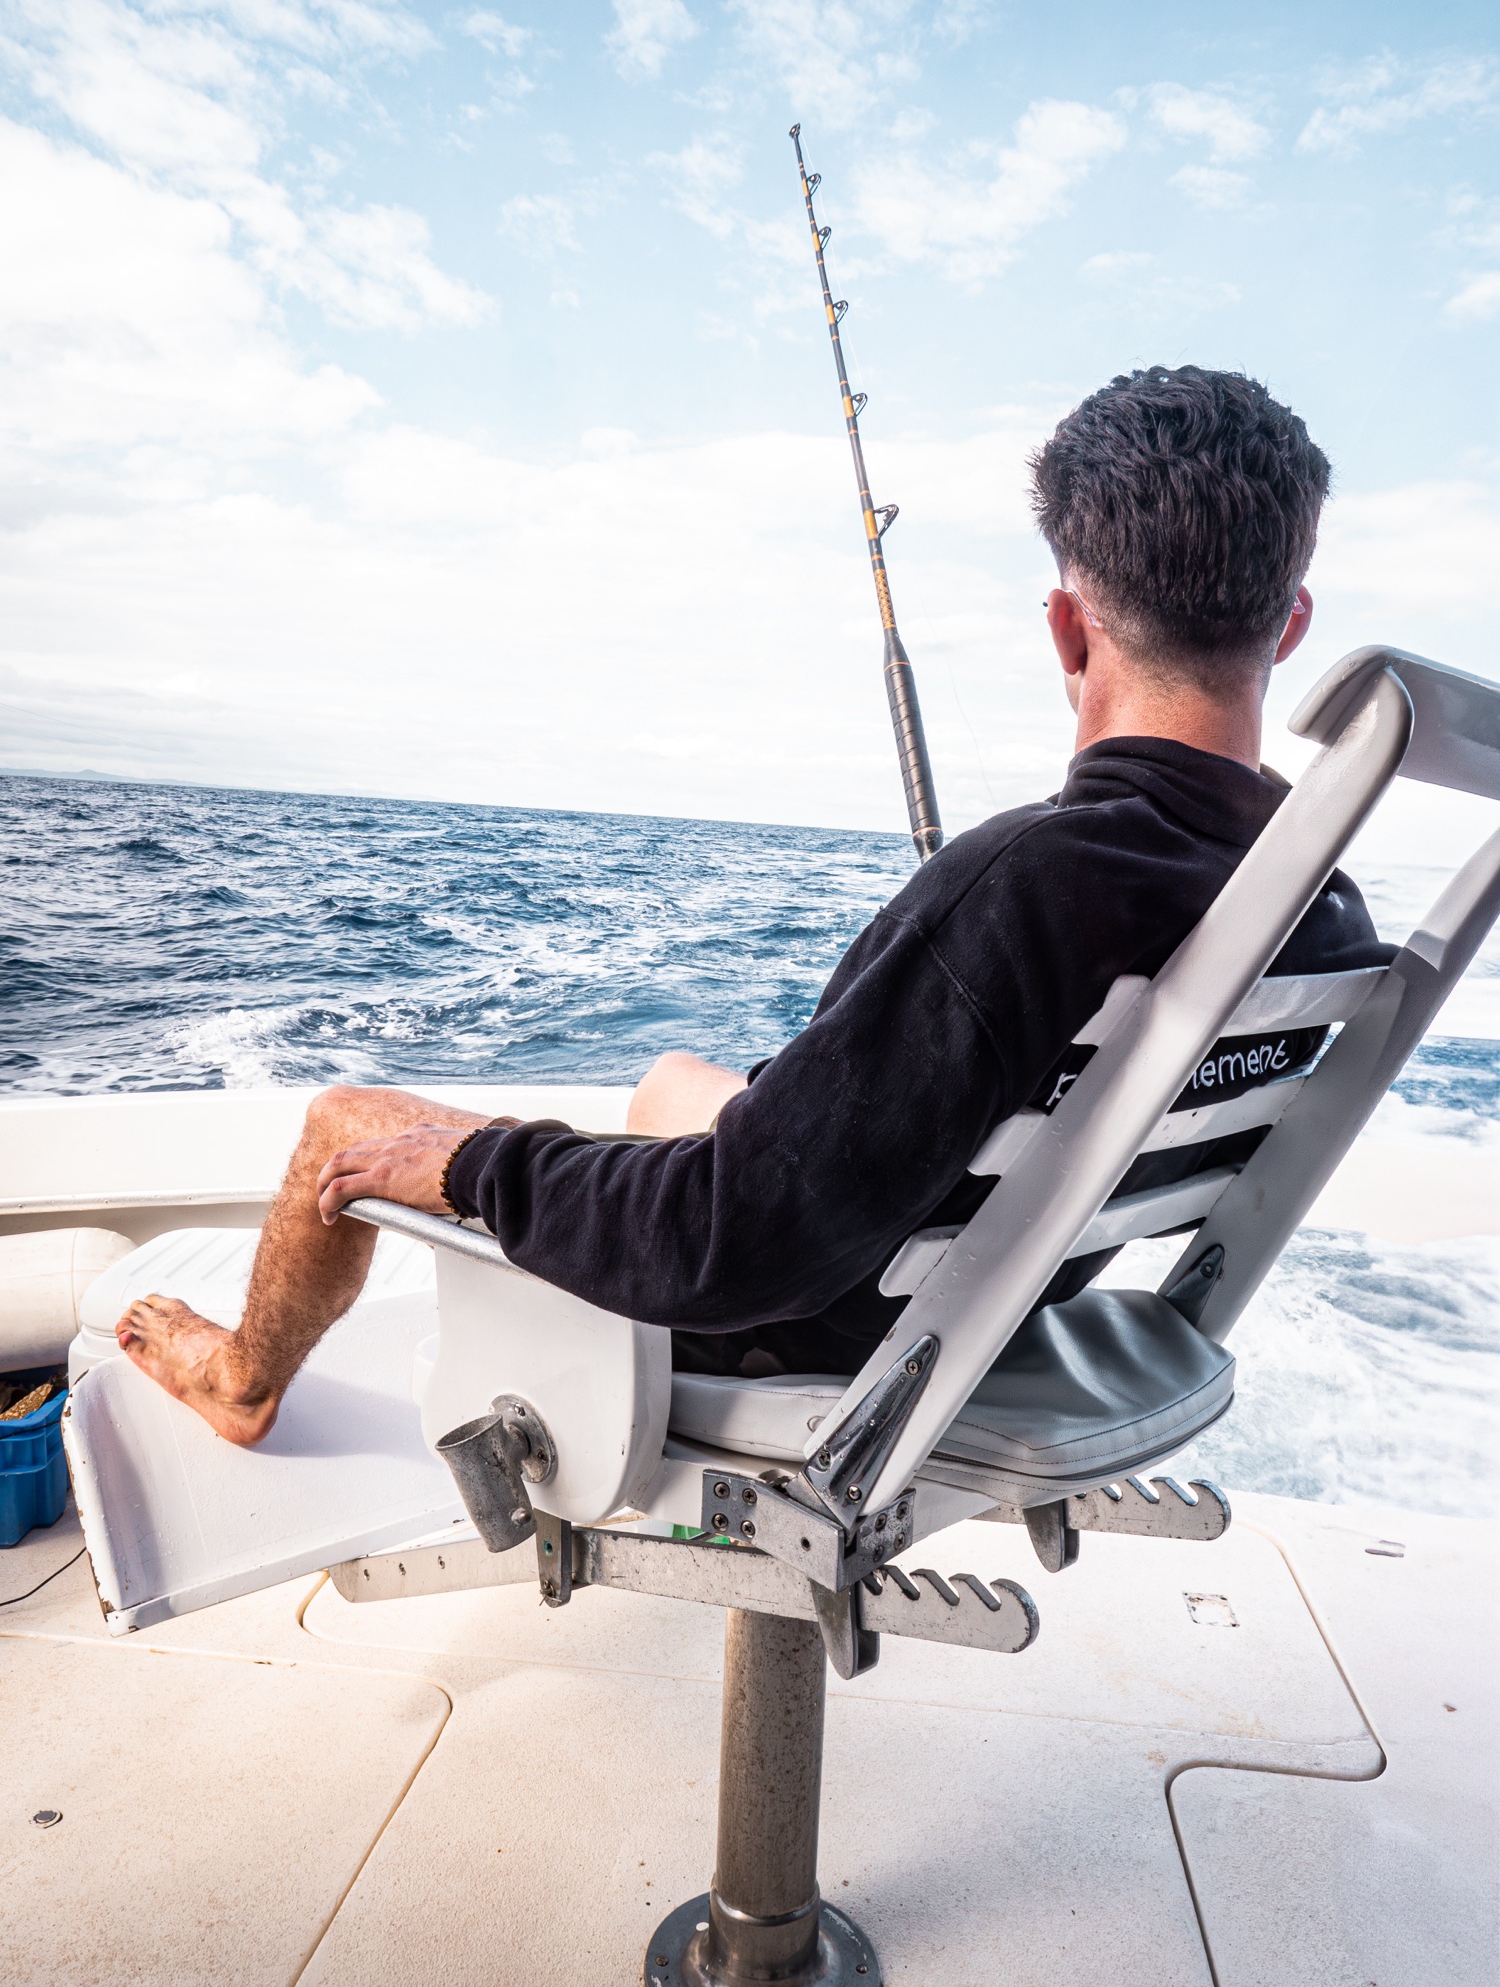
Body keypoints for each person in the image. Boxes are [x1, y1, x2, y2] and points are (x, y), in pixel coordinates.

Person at [117, 365, 1390, 1447]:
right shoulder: (1319, 911)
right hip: (987, 1284)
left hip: (818, 1325)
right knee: (678, 1079)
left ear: (1066, 628)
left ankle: (241, 1379)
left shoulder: (1031, 883)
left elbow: (725, 1246)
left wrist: (471, 1160)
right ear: (1287, 625)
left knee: (350, 1117)